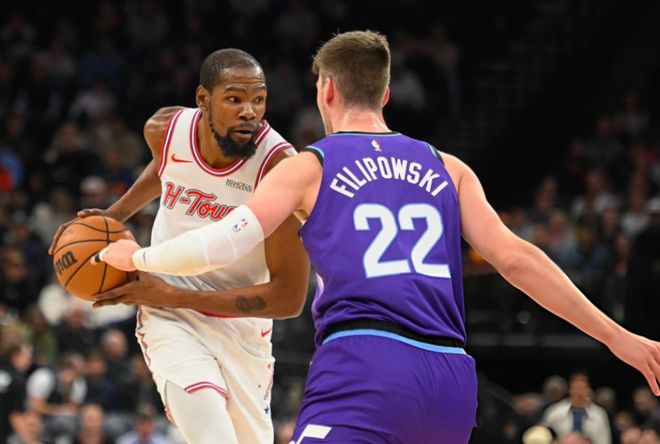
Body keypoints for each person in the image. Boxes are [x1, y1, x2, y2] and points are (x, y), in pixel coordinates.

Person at [96, 31, 660, 443]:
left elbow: (223, 242)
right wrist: (618, 338)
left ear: (326, 91)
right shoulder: (449, 167)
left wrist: (139, 255)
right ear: (386, 94)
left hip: (366, 365)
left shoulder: (309, 166)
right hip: (450, 379)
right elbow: (518, 260)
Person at [51, 48, 309, 444]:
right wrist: (114, 215)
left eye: (258, 100)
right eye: (235, 99)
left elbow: (289, 298)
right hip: (167, 312)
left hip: (240, 325)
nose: (249, 112)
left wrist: (175, 296)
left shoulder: (278, 169)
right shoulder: (165, 129)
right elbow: (167, 166)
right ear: (203, 98)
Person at [542, 370, 611, 444]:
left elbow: (604, 441)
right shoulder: (554, 412)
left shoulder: (599, 414)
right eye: (576, 388)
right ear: (569, 390)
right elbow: (544, 437)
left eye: (582, 388)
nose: (579, 392)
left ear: (588, 390)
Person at [0, 341, 33, 443]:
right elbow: (16, 416)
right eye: (27, 357)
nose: (29, 362)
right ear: (15, 356)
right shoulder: (17, 381)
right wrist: (30, 441)